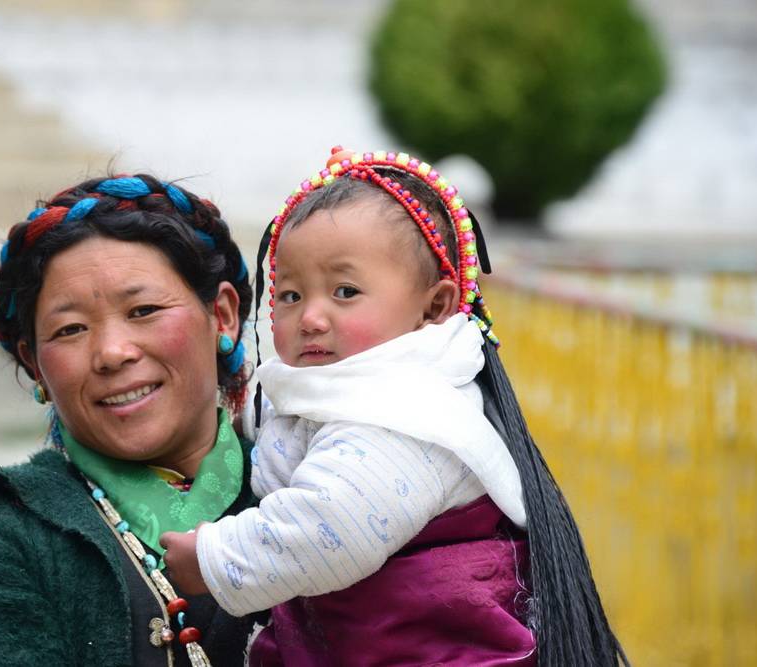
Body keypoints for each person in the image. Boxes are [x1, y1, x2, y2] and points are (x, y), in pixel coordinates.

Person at [161, 147, 629, 666]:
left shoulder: (406, 416)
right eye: (291, 295)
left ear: (434, 307)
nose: (311, 318)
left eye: (344, 291)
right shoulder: (346, 386)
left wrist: (213, 559)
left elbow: (332, 527)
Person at [0, 174, 267, 667]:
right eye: (71, 328)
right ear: (35, 363)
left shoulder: (319, 487)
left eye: (143, 310)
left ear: (224, 317)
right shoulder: (10, 535)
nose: (111, 353)